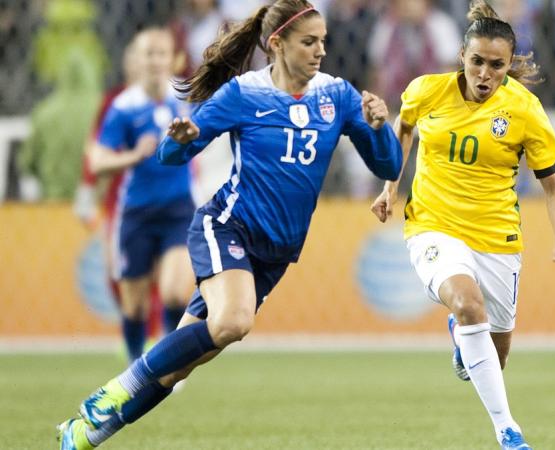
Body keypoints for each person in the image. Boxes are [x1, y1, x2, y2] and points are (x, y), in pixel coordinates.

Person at [56, 2, 402, 449]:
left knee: (180, 363)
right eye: (309, 42)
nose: (320, 51)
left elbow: (388, 164)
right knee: (233, 323)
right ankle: (113, 391)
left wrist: (377, 128)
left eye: (323, 42)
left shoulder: (337, 95)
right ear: (277, 44)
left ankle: (83, 434)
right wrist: (178, 141)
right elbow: (172, 153)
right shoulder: (244, 93)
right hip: (227, 228)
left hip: (274, 254)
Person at [370, 2, 555, 449]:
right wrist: (391, 186)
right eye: (477, 62)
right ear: (462, 57)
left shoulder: (524, 110)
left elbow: (554, 187)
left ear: (508, 66)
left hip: (497, 239)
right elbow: (403, 129)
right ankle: (509, 432)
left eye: (496, 65)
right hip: (433, 225)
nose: (485, 73)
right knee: (466, 303)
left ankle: (464, 343)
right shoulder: (426, 91)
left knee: (492, 357)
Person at [84, 29, 195, 364]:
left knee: (176, 290)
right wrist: (133, 156)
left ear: (171, 58)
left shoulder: (185, 98)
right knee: (135, 305)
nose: (156, 61)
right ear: (137, 60)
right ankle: (136, 368)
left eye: (162, 53)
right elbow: (99, 161)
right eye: (149, 54)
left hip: (179, 207)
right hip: (137, 212)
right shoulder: (124, 107)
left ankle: (168, 363)